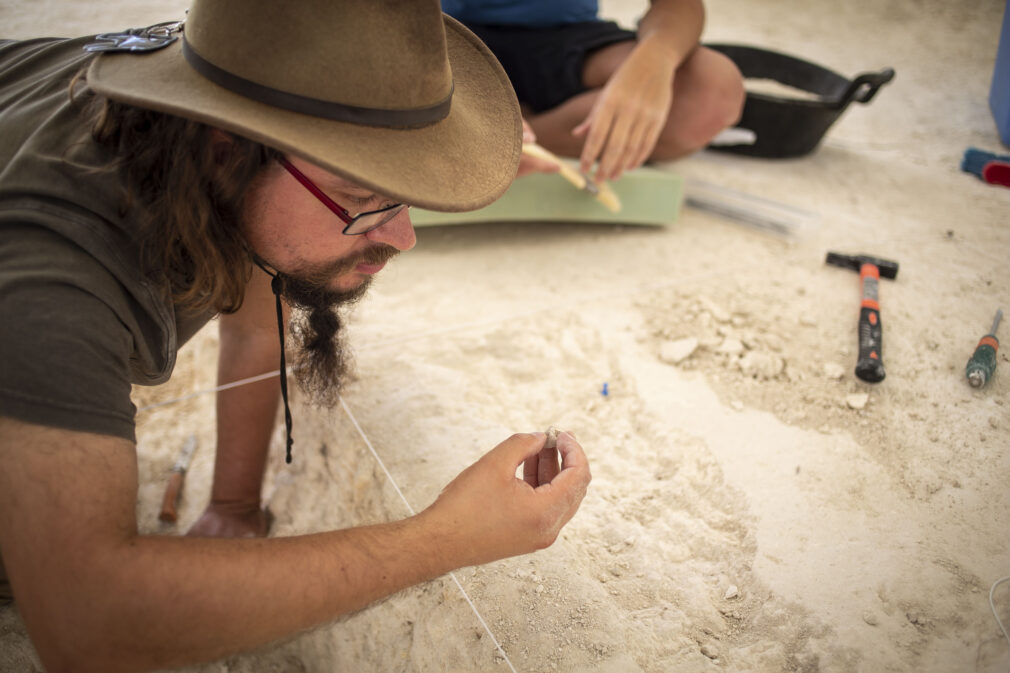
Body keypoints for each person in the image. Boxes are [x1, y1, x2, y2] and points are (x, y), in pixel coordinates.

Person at [0, 2, 591, 671]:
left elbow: (259, 304)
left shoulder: (227, 97)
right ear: (227, 151)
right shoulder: (55, 277)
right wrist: (443, 537)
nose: (403, 236)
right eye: (364, 197)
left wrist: (232, 505)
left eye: (406, 196)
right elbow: (84, 623)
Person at [443, 0, 746, 182]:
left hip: (560, 34)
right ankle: (483, 132)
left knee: (712, 93)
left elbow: (678, 6)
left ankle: (509, 140)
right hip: (433, 34)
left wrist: (656, 60)